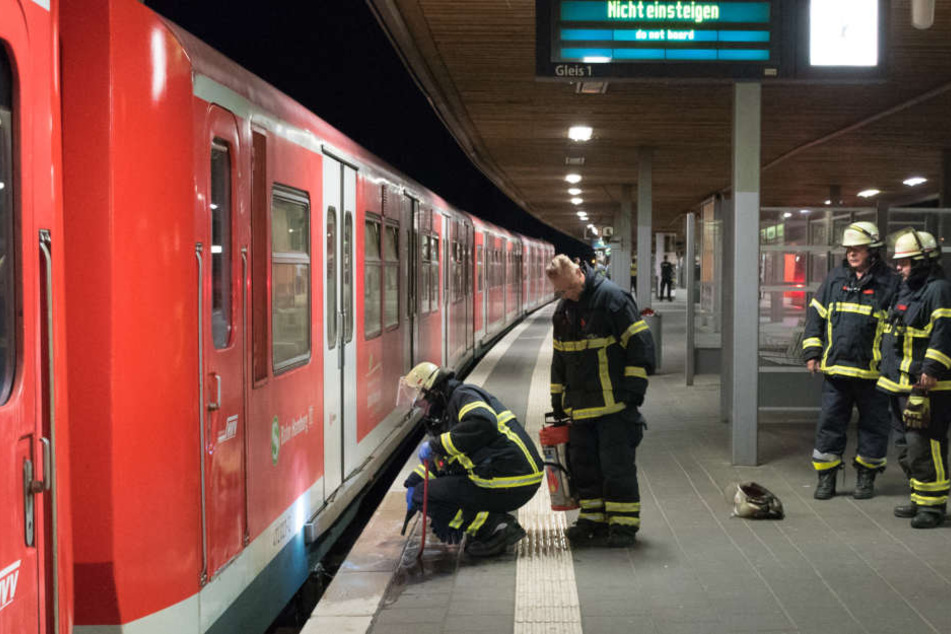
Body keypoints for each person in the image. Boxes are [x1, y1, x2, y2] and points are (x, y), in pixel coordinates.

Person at [545, 254, 655, 547]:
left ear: (580, 274)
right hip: (580, 410)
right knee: (584, 467)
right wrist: (557, 399)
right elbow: (560, 360)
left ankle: (623, 523)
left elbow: (641, 345)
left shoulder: (613, 299)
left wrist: (633, 392)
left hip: (615, 407)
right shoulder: (564, 311)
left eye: (569, 289)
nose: (566, 296)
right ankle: (593, 517)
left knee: (616, 467)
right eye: (562, 292)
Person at [397, 361, 543, 556]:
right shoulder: (449, 407)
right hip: (508, 474)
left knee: (425, 495)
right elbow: (450, 459)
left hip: (509, 477)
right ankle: (485, 523)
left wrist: (435, 445)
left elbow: (482, 424)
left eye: (421, 404)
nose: (422, 411)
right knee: (427, 489)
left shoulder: (463, 396)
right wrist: (417, 477)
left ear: (433, 393)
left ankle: (494, 527)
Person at [801, 222, 899, 500]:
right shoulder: (835, 278)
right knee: (830, 425)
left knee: (874, 427)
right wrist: (812, 353)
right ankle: (826, 478)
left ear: (873, 250)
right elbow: (816, 317)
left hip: (874, 375)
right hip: (837, 371)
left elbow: (897, 329)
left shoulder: (890, 282)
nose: (851, 253)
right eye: (848, 249)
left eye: (857, 248)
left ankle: (866, 478)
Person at [877, 229, 951, 529]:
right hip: (900, 383)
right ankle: (920, 497)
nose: (899, 268)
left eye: (905, 262)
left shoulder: (939, 290)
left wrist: (931, 371)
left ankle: (933, 507)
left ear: (923, 261)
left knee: (926, 444)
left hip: (926, 386)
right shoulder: (909, 290)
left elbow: (944, 334)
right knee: (907, 446)